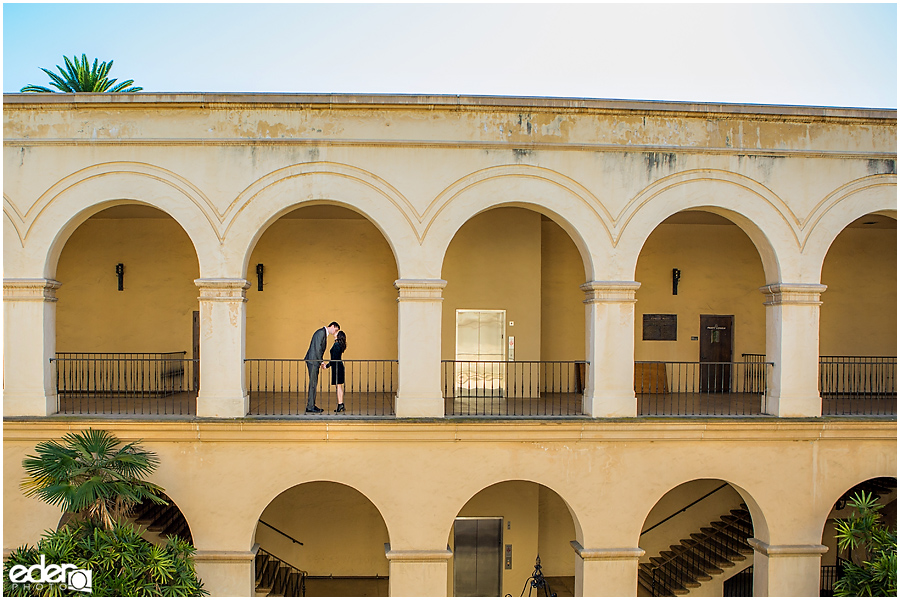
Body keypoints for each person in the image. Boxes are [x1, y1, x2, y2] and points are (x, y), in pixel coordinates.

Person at [305, 322, 340, 414]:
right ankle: (310, 406)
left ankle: (311, 404)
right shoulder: (321, 332)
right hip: (313, 361)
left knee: (314, 383)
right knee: (313, 383)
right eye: (336, 330)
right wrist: (321, 362)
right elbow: (317, 349)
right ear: (332, 326)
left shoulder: (322, 333)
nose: (335, 332)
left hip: (314, 361)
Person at [324, 330, 347, 413]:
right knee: (339, 386)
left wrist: (327, 365)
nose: (335, 333)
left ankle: (340, 404)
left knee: (338, 386)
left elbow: (334, 358)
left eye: (337, 333)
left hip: (337, 367)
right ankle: (341, 404)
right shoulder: (338, 344)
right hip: (337, 366)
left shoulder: (336, 345)